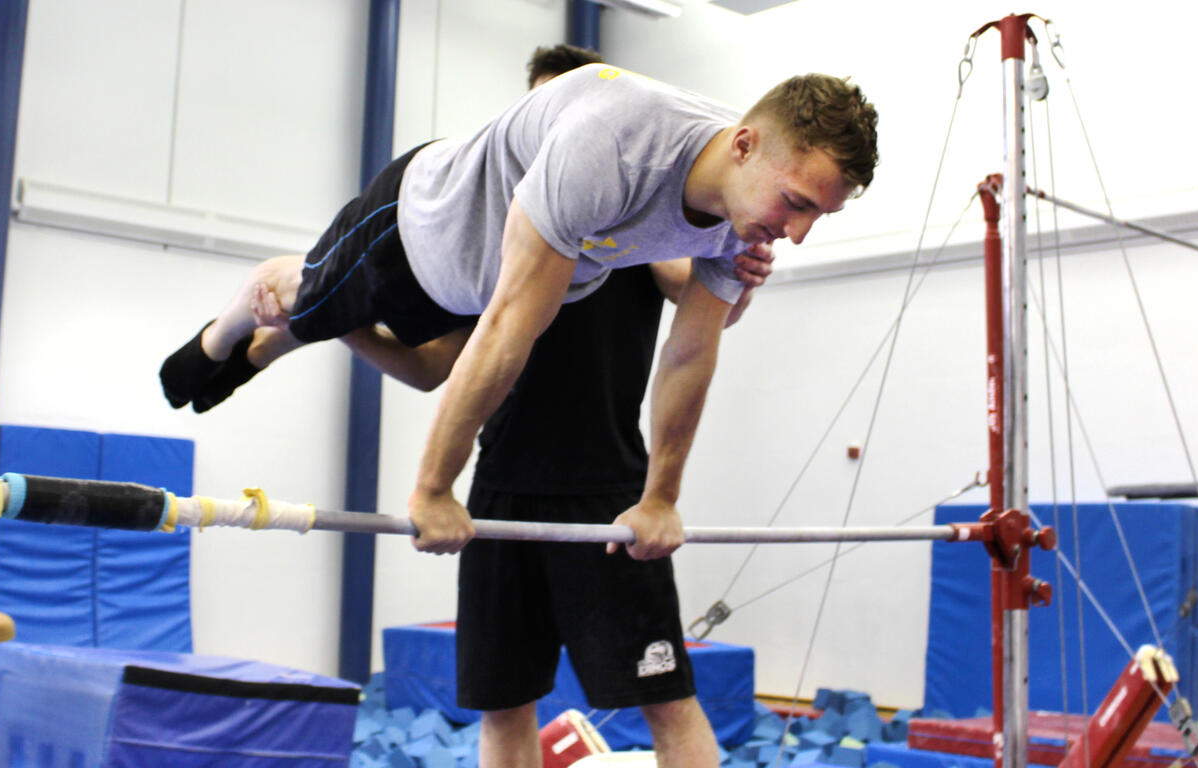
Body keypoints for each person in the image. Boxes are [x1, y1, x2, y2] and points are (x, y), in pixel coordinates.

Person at [156, 61, 878, 561]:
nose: (799, 231)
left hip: (480, 282)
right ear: (745, 146)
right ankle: (234, 327)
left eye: (820, 215)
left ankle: (292, 334)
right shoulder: (615, 146)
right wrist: (434, 488)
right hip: (415, 230)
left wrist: (660, 499)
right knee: (301, 300)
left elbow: (691, 350)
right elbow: (511, 328)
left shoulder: (742, 210)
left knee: (422, 369)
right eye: (798, 204)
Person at [334, 46, 732, 768]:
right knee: (503, 706)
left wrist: (743, 261)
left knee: (668, 702)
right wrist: (351, 328)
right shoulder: (491, 243)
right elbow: (431, 369)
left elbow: (700, 299)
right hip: (500, 497)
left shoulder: (640, 234)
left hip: (609, 494)